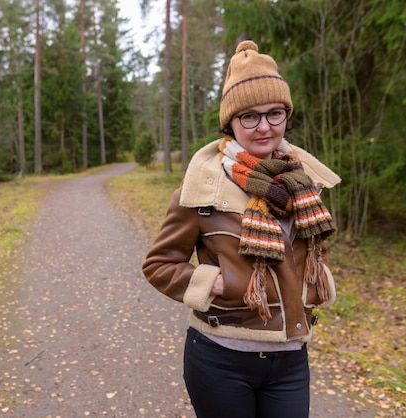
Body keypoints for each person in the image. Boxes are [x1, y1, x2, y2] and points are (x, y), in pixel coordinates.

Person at [142, 40, 341, 418]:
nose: (264, 126)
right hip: (221, 359)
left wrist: (320, 281)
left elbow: (303, 251)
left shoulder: (304, 181)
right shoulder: (202, 188)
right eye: (249, 116)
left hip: (290, 357)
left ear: (287, 115)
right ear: (231, 123)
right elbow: (158, 265)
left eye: (275, 113)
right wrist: (214, 282)